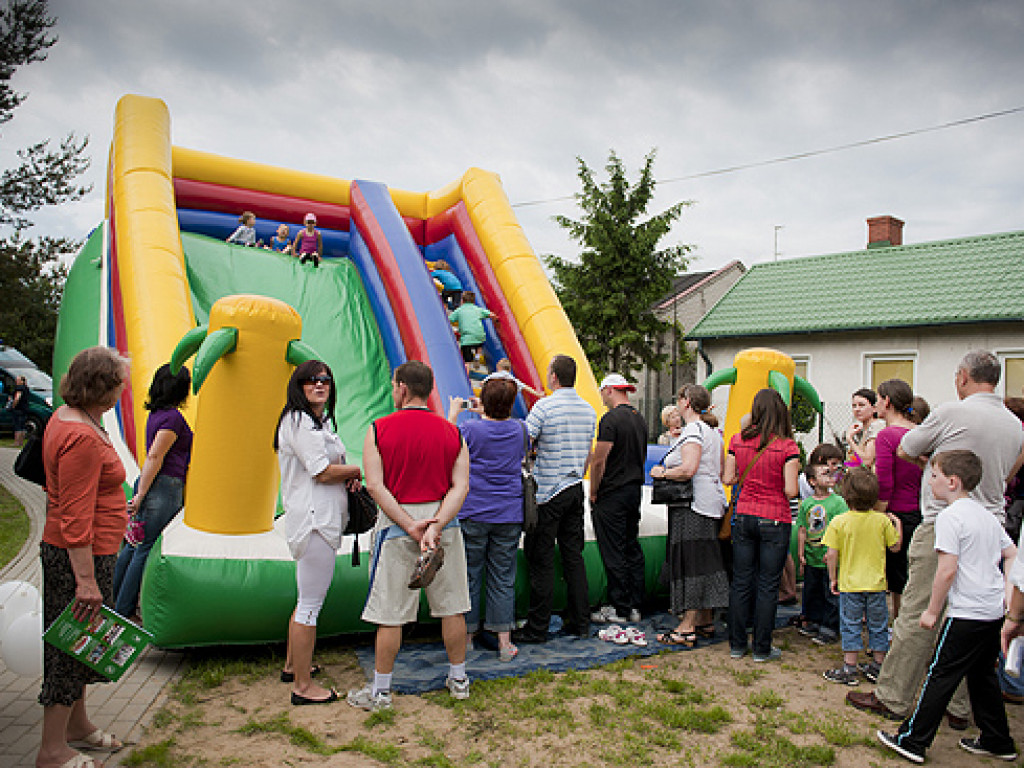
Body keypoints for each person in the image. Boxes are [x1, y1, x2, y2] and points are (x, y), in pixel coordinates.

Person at [849, 350, 1024, 726]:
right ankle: (958, 706)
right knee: (962, 618)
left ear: (963, 376)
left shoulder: (951, 413)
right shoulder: (1013, 423)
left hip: (945, 521)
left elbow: (906, 448)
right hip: (990, 527)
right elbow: (1012, 469)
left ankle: (893, 695)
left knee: (917, 611)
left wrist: (934, 466)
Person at [877, 451, 1017, 764]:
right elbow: (1012, 553)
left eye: (935, 475)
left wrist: (931, 610)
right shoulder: (985, 515)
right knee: (982, 675)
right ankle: (998, 739)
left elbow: (946, 570)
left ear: (952, 482)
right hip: (991, 611)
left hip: (966, 613)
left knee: (940, 674)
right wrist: (1006, 593)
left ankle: (913, 739)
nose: (931, 481)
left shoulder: (950, 518)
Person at [348, 361, 471, 711]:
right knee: (452, 607)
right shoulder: (452, 432)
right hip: (443, 521)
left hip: (397, 524)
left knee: (391, 613)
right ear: (429, 389)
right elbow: (461, 486)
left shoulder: (378, 429)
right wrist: (436, 524)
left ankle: (382, 691)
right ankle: (459, 678)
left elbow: (375, 485)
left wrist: (406, 523)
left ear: (402, 388)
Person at [36, 346, 130, 768]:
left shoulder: (73, 418)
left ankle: (77, 727)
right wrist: (86, 581)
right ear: (101, 386)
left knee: (82, 644)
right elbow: (74, 516)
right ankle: (51, 750)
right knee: (67, 649)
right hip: (78, 557)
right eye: (118, 383)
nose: (122, 390)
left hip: (93, 550)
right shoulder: (81, 436)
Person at [275, 360, 362, 705]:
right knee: (311, 604)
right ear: (299, 386)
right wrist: (358, 468)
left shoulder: (316, 422)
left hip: (319, 519)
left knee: (305, 599)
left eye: (325, 379)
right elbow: (322, 472)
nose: (319, 385)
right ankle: (302, 687)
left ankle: (293, 666)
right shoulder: (299, 421)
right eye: (311, 380)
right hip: (315, 521)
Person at [512, 354, 596, 644]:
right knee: (574, 558)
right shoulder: (588, 410)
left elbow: (523, 441)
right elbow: (588, 452)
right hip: (575, 487)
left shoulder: (544, 407)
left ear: (553, 377)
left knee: (541, 560)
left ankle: (537, 628)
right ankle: (580, 621)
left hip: (548, 491)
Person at [446, 376, 524, 662]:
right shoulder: (520, 430)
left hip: (474, 511)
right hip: (509, 513)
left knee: (469, 575)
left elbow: (447, 444)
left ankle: (466, 636)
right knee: (503, 576)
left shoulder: (469, 429)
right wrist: (490, 411)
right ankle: (504, 641)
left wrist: (455, 413)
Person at [723, 388, 800, 662]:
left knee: (741, 581)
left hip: (744, 516)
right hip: (775, 518)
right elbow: (791, 490)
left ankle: (736, 644)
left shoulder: (736, 441)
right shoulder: (787, 446)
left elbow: (728, 477)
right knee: (768, 584)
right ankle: (762, 648)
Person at [112, 364, 193, 620]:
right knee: (145, 548)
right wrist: (141, 495)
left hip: (151, 485)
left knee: (133, 545)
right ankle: (125, 610)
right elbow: (155, 456)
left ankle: (117, 602)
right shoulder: (173, 419)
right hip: (164, 486)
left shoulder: (156, 414)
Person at [649, 384, 728, 646]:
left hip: (694, 504)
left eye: (679, 398)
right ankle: (704, 619)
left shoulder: (694, 430)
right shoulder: (711, 431)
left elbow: (688, 468)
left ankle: (687, 627)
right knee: (705, 559)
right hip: (709, 501)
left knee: (692, 561)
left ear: (686, 402)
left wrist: (662, 473)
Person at [820, 468, 900, 685]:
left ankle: (850, 667)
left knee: (850, 624)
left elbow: (832, 553)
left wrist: (832, 577)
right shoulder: (882, 521)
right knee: (878, 624)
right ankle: (877, 665)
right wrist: (898, 526)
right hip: (876, 584)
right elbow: (895, 547)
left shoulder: (839, 522)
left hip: (850, 583)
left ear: (846, 495)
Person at [589, 373, 649, 625]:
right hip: (633, 489)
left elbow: (600, 459)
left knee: (613, 550)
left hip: (612, 492)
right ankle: (635, 603)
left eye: (603, 392)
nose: (602, 397)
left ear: (610, 390)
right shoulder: (639, 418)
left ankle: (620, 608)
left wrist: (593, 490)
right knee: (630, 546)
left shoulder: (610, 419)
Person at [873, 379, 926, 620]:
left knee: (897, 579)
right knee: (913, 574)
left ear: (887, 401)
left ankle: (898, 626)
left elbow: (885, 482)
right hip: (920, 510)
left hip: (895, 513)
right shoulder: (919, 433)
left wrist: (878, 513)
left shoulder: (887, 436)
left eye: (877, 398)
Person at [795, 459, 848, 645]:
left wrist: (835, 552)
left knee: (830, 592)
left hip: (829, 558)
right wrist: (801, 553)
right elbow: (802, 529)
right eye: (824, 473)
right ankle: (814, 621)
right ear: (812, 481)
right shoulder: (807, 504)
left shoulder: (838, 502)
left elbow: (843, 529)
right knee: (812, 590)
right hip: (812, 556)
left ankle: (830, 627)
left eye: (830, 473)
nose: (830, 476)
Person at [448, 291, 496, 370]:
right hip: (479, 336)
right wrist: (495, 320)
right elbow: (491, 315)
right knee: (479, 345)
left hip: (467, 339)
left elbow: (449, 319)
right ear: (473, 301)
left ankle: (467, 373)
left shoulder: (459, 310)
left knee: (467, 361)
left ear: (462, 301)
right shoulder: (477, 309)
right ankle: (477, 356)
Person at [846, 387, 884, 469]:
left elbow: (867, 461)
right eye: (854, 406)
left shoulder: (877, 426)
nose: (857, 409)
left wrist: (849, 439)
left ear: (874, 408)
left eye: (861, 405)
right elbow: (854, 461)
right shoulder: (864, 429)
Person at [8, 373, 30, 447]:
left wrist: (13, 405)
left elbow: (17, 398)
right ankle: (21, 442)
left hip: (18, 409)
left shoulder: (19, 388)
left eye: (18, 380)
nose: (16, 381)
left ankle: (16, 442)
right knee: (22, 425)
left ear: (22, 381)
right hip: (24, 408)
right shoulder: (26, 388)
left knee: (17, 425)